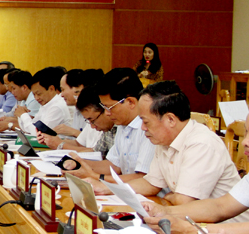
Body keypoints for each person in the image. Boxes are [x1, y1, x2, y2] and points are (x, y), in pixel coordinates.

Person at [90, 81, 240, 203]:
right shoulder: (164, 140)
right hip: (187, 218)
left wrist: (170, 197)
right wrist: (106, 188)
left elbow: (183, 201)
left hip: (222, 227)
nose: (142, 128)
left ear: (170, 119)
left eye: (146, 122)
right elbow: (150, 184)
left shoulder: (201, 144)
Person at [142, 110, 249, 234]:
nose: (244, 142)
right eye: (246, 132)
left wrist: (188, 230)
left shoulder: (203, 141)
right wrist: (164, 211)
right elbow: (220, 206)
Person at [64, 68, 155, 185]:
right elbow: (113, 165)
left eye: (110, 107)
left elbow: (143, 178)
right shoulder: (122, 125)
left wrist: (96, 177)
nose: (107, 113)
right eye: (104, 107)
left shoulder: (148, 128)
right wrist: (78, 164)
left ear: (130, 102)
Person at [37, 86, 115, 156]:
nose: (92, 126)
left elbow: (96, 154)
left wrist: (60, 145)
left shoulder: (111, 127)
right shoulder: (95, 120)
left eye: (77, 92)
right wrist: (52, 141)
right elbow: (82, 145)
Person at [15, 67, 70, 135]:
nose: (36, 98)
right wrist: (21, 115)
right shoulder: (45, 104)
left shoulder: (57, 106)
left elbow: (38, 133)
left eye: (39, 94)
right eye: (34, 94)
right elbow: (28, 129)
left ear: (51, 89)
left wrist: (23, 115)